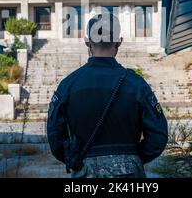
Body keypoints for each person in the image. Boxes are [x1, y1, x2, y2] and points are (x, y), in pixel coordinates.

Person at [47, 13, 168, 178]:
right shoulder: (137, 84)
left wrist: (77, 158)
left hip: (85, 171)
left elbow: (55, 136)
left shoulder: (68, 85)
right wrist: (132, 156)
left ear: (87, 42)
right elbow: (158, 136)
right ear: (119, 42)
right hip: (129, 172)